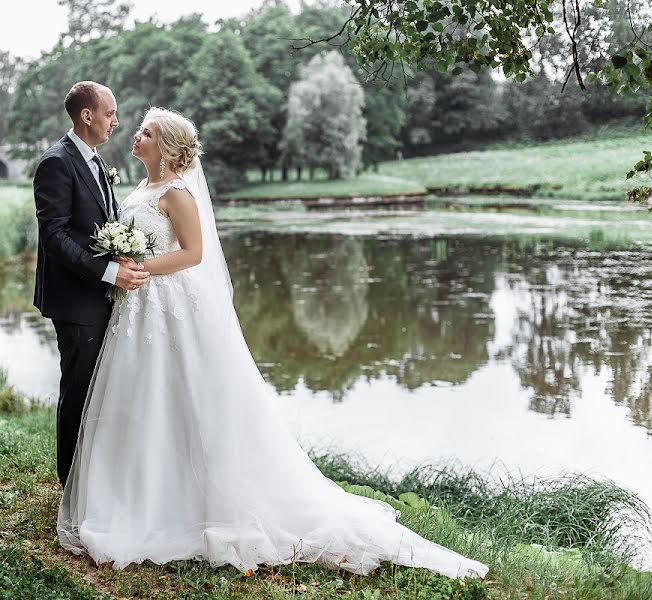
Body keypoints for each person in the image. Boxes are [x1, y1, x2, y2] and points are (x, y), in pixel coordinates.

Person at [56, 107, 488, 579]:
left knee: (182, 396)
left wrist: (141, 268)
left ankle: (192, 504)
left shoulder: (178, 192)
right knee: (141, 399)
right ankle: (135, 494)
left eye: (147, 131)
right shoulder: (141, 187)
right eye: (137, 128)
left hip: (165, 301)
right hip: (136, 306)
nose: (135, 134)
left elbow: (194, 254)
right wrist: (123, 261)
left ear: (167, 146)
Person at [32, 81, 149, 486]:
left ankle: (93, 481)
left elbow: (98, 225)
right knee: (79, 392)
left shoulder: (96, 161)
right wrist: (109, 272)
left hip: (98, 296)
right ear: (87, 116)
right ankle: (70, 487)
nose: (116, 122)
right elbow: (55, 237)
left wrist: (121, 253)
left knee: (99, 391)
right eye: (110, 114)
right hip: (74, 300)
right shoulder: (56, 163)